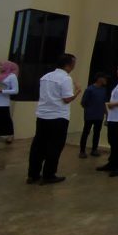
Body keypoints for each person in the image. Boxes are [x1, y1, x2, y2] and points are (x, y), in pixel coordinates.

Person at [27, 54, 81, 185]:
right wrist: (77, 92)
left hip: (42, 116)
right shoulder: (66, 78)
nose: (74, 66)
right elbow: (66, 99)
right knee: (54, 146)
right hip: (58, 117)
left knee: (38, 146)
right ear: (68, 65)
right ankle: (49, 174)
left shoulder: (46, 77)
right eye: (74, 63)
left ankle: (33, 174)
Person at [79, 72, 108, 158]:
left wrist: (106, 113)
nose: (105, 80)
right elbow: (83, 103)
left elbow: (103, 103)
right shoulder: (90, 89)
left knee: (97, 133)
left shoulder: (103, 90)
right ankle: (82, 151)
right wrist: (89, 109)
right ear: (99, 79)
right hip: (90, 115)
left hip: (99, 116)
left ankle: (94, 149)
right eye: (104, 78)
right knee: (86, 132)